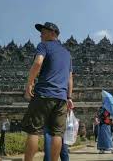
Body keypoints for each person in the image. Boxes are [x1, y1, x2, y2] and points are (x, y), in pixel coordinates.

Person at [22, 22, 74, 161]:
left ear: (53, 33)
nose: (41, 35)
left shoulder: (43, 45)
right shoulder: (67, 53)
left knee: (33, 131)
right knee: (57, 134)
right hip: (62, 98)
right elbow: (70, 78)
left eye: (43, 32)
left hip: (44, 93)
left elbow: (38, 62)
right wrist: (69, 97)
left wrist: (29, 83)